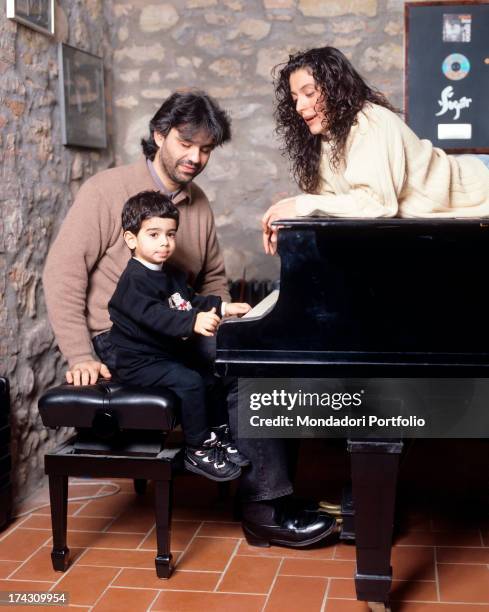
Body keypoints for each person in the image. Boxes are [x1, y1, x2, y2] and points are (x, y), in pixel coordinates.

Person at [43, 90, 337, 548]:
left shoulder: (197, 204)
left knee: (259, 359)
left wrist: (222, 319)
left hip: (175, 329)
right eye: (186, 143)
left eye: (206, 149)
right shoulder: (106, 191)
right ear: (159, 135)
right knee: (244, 371)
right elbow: (62, 273)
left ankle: (269, 495)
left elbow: (214, 281)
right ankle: (265, 510)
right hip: (120, 340)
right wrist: (80, 354)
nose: (196, 157)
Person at [262, 46, 489, 254]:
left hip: (479, 186)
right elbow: (336, 205)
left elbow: (376, 204)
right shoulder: (324, 140)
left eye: (309, 94)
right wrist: (288, 226)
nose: (300, 107)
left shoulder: (370, 121)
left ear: (334, 89)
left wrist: (300, 206)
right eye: (295, 98)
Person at [108, 190, 251, 481]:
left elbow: (189, 301)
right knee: (190, 381)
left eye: (170, 234)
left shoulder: (170, 272)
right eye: (154, 234)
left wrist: (223, 307)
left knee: (213, 374)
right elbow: (156, 316)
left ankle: (218, 435)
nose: (164, 242)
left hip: (164, 353)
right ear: (131, 239)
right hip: (139, 362)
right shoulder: (133, 281)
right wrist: (191, 323)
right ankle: (196, 449)